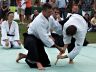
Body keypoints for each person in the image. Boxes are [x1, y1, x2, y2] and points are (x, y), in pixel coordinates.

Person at [21, 3, 63, 70]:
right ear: (43, 11)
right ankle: (37, 63)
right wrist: (58, 48)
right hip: (30, 39)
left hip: (38, 40)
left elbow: (57, 27)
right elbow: (44, 37)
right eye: (49, 12)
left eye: (51, 11)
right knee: (33, 44)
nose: (50, 13)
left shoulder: (50, 18)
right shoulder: (39, 20)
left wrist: (64, 31)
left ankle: (24, 56)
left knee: (46, 62)